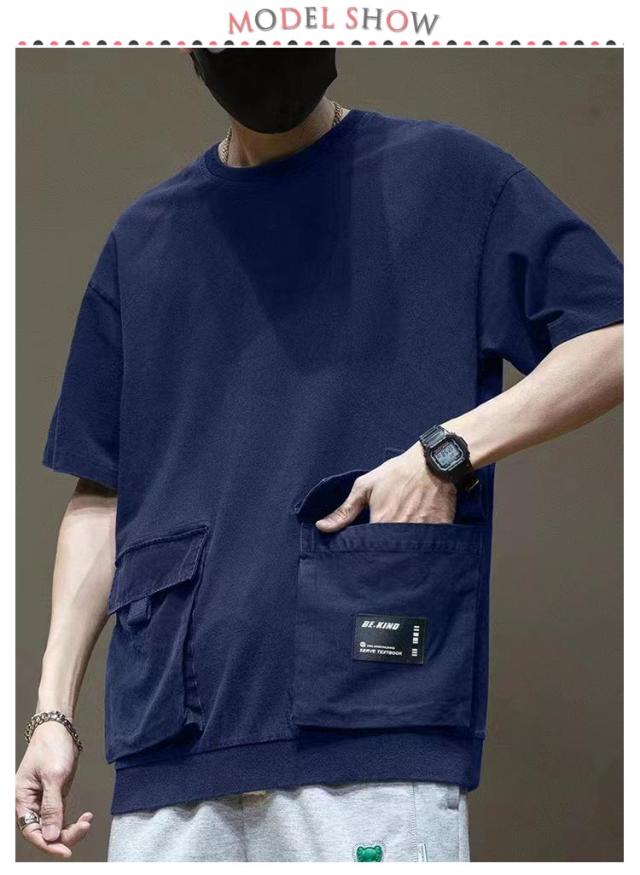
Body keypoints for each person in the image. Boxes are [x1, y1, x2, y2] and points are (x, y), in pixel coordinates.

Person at [15, 47, 623, 862]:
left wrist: (446, 451)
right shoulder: (144, 243)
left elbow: (615, 335)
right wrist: (52, 712)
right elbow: (103, 497)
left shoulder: (448, 179)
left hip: (368, 733)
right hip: (172, 751)